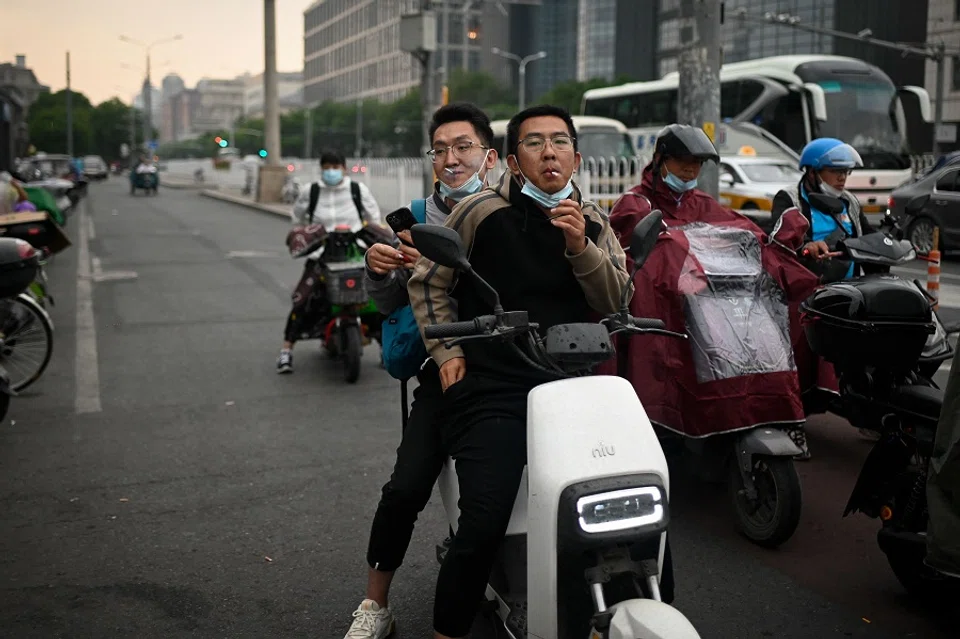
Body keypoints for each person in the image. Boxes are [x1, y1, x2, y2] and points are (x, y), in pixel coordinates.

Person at [408, 105, 630, 639]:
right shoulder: (481, 212)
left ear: (577, 157)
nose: (549, 152)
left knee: (623, 500)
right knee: (484, 517)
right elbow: (428, 282)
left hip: (575, 384)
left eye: (559, 142)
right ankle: (449, 629)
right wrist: (448, 355)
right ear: (512, 158)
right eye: (534, 143)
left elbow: (617, 298)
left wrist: (580, 248)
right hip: (497, 385)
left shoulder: (594, 221)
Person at [342, 103, 498, 639]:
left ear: (489, 155)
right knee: (405, 490)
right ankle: (375, 604)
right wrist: (378, 269)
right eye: (441, 150)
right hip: (439, 373)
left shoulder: (510, 212)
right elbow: (387, 306)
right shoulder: (414, 218)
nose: (452, 159)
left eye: (464, 147)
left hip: (508, 373)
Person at [607, 124, 822, 460]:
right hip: (671, 310)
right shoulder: (635, 202)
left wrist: (785, 246)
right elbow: (643, 250)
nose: (691, 170)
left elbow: (747, 235)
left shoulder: (703, 202)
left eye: (697, 164)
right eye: (682, 162)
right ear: (660, 160)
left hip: (717, 303)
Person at [276, 149, 382, 373]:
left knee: (373, 298)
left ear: (344, 168)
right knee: (303, 299)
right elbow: (298, 218)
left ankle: (386, 349)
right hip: (321, 254)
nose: (331, 172)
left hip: (354, 253)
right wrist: (309, 235)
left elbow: (373, 218)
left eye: (335, 167)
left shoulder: (357, 189)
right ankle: (286, 351)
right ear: (321, 169)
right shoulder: (311, 191)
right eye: (327, 168)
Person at [771, 137, 875, 283]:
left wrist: (891, 242)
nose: (842, 178)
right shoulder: (790, 198)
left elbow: (867, 233)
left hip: (852, 287)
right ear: (812, 173)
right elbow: (783, 235)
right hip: (809, 289)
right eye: (835, 171)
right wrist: (806, 245)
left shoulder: (849, 200)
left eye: (846, 171)